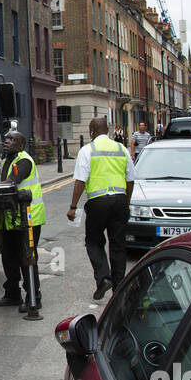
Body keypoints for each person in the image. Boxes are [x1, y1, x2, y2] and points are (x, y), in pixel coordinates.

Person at [67, 117, 135, 300]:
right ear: (108, 130)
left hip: (98, 202)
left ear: (91, 131)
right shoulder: (122, 149)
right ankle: (119, 287)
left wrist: (73, 206)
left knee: (94, 242)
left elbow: (80, 180)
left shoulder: (88, 150)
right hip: (120, 201)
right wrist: (126, 204)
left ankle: (104, 278)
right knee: (118, 245)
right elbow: (130, 180)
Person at [0, 131, 45, 311]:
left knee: (27, 258)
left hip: (27, 219)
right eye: (6, 138)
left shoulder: (23, 160)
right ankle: (12, 295)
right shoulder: (7, 160)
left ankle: (34, 298)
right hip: (11, 219)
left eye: (12, 139)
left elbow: (9, 184)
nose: (7, 141)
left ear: (21, 145)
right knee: (9, 258)